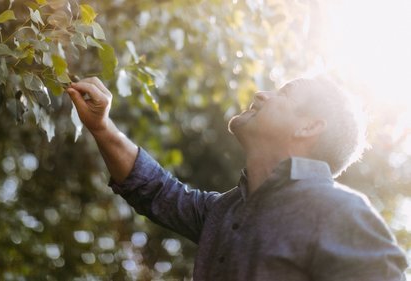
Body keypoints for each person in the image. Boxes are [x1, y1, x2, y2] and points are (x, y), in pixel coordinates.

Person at [66, 76, 408, 280]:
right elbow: (156, 190)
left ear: (309, 126)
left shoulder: (340, 211)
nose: (261, 94)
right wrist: (101, 126)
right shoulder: (226, 212)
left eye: (284, 93)